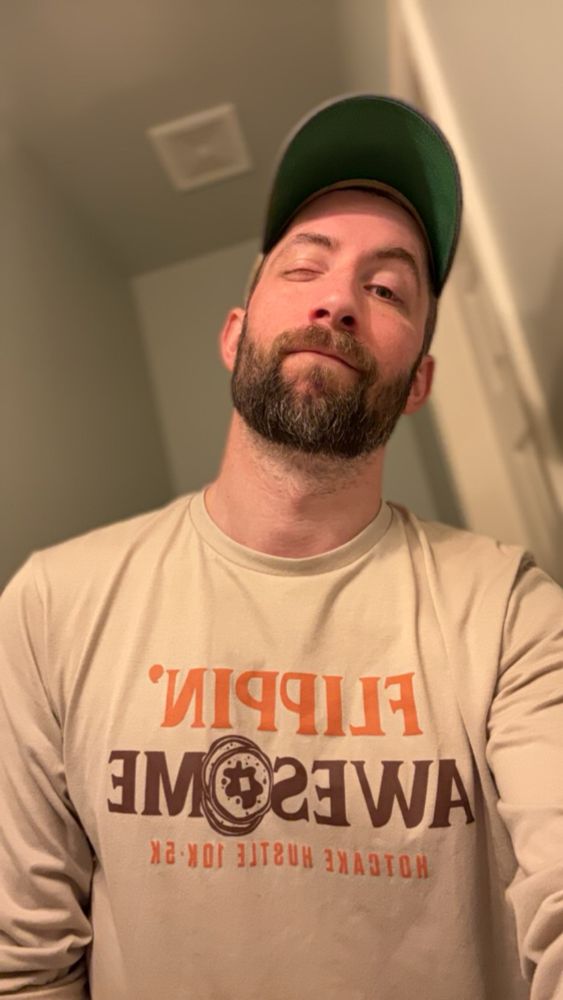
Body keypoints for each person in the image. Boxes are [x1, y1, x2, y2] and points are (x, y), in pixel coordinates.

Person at [0, 94, 561, 1000]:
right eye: (305, 267)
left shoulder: (511, 615)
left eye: (387, 290)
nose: (338, 301)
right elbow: (21, 967)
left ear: (418, 381)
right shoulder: (49, 606)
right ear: (234, 336)